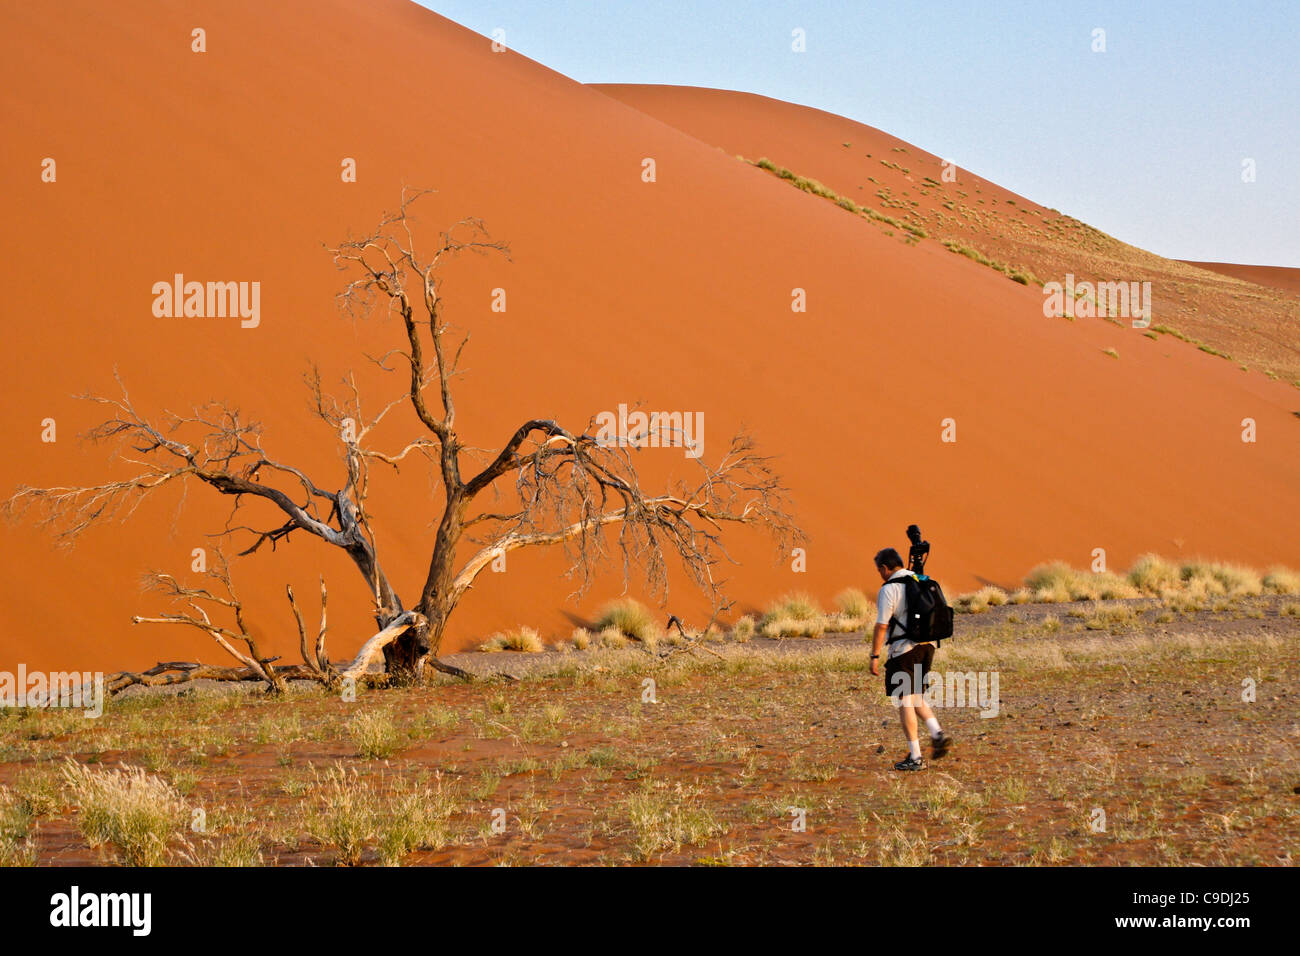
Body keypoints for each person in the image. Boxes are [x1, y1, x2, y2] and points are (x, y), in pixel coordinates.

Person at [869, 547, 953, 770]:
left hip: (904, 651)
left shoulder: (890, 589)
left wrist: (874, 656)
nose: (880, 574)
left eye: (880, 570)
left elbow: (881, 625)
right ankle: (937, 733)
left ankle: (915, 757)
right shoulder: (919, 579)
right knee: (915, 696)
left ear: (885, 568)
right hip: (928, 647)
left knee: (905, 701)